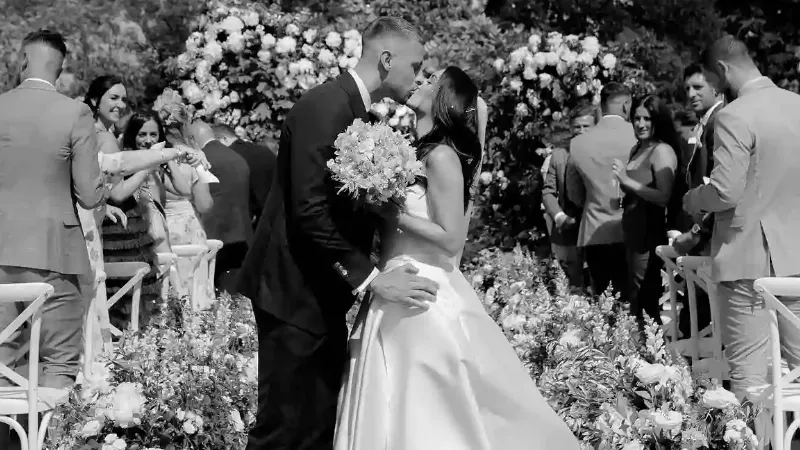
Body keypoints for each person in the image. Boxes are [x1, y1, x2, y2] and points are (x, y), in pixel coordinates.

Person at [335, 66, 580, 450]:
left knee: (422, 410)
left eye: (431, 80)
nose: (420, 81)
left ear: (446, 98)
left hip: (422, 296)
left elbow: (451, 240)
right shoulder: (413, 151)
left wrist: (389, 212)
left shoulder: (442, 155)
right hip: (394, 287)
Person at [236, 17, 439, 449]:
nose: (419, 76)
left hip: (318, 292)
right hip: (292, 290)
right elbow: (309, 211)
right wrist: (370, 279)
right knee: (284, 427)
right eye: (415, 65)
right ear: (386, 59)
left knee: (315, 424)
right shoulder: (324, 106)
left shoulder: (352, 109)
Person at [683, 35, 800, 397]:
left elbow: (724, 191)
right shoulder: (797, 105)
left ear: (721, 69)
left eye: (712, 80)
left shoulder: (734, 115)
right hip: (796, 256)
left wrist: (692, 199)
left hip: (748, 262)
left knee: (751, 381)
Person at [0, 29, 106, 388]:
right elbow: (90, 196)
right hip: (55, 255)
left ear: (22, 60)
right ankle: (50, 440)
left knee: (2, 362)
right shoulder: (75, 113)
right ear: (60, 69)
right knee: (58, 362)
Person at [611, 95, 680, 326]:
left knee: (645, 297)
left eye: (647, 119)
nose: (641, 124)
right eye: (636, 118)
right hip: (632, 230)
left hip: (649, 233)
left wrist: (626, 181)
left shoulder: (661, 151)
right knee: (634, 296)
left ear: (657, 120)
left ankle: (653, 354)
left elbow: (663, 197)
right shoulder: (638, 148)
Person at [565, 83, 637, 302]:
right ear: (626, 105)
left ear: (600, 106)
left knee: (604, 305)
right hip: (635, 228)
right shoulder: (640, 135)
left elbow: (574, 193)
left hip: (595, 230)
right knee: (637, 300)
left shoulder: (578, 143)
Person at [671, 62, 725, 338]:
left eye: (698, 87)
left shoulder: (720, 122)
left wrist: (695, 233)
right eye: (687, 88)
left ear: (716, 88)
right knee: (695, 323)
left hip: (714, 241)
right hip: (704, 242)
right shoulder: (705, 125)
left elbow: (721, 187)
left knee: (703, 327)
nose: (691, 94)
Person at [187, 120, 253, 293]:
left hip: (213, 231)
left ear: (193, 140)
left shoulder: (201, 160)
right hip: (241, 233)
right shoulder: (237, 157)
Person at [542, 104, 598, 289]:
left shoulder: (603, 153)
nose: (581, 131)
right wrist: (559, 216)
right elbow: (548, 192)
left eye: (586, 126)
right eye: (577, 127)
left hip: (598, 227)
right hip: (568, 228)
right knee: (572, 285)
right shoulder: (559, 156)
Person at [213, 124, 277, 229]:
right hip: (276, 214)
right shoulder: (264, 151)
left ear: (223, 139)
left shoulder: (230, 158)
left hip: (250, 220)